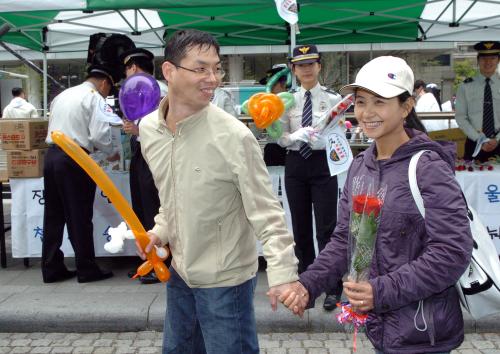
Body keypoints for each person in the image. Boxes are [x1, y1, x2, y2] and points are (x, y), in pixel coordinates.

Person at [279, 56, 473, 354]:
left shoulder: (427, 167)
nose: (367, 113)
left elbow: (452, 252)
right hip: (381, 328)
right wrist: (307, 285)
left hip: (423, 331)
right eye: (360, 101)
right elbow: (346, 238)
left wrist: (380, 291)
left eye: (379, 102)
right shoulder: (361, 166)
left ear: (406, 107)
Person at [137, 29, 298, 353]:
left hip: (226, 280)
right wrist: (159, 231)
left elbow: (266, 210)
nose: (212, 78)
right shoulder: (149, 130)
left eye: (216, 68)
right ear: (169, 72)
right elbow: (172, 197)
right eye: (201, 68)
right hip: (180, 272)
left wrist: (283, 273)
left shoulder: (233, 136)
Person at [277, 44, 343, 311]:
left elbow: (339, 135)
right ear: (293, 69)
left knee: (327, 229)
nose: (306, 69)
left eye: (310, 64)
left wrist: (324, 138)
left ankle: (332, 287)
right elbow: (278, 136)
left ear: (319, 66)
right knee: (301, 230)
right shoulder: (286, 100)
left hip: (322, 164)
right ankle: (307, 286)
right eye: (300, 65)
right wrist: (293, 137)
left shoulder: (333, 98)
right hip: (296, 165)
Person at [42, 64, 121, 283]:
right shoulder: (94, 98)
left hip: (52, 156)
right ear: (105, 83)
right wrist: (111, 152)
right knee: (79, 215)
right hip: (75, 158)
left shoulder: (63, 95)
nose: (108, 94)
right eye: (109, 90)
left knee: (53, 216)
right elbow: (99, 134)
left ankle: (51, 267)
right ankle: (86, 268)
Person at [118, 47, 162, 284]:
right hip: (140, 152)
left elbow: (164, 131)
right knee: (141, 209)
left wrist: (138, 131)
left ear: (133, 67)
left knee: (153, 209)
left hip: (153, 155)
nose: (126, 75)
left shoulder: (158, 91)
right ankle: (147, 260)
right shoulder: (135, 90)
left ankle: (160, 261)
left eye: (126, 69)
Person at [456, 41, 500, 161]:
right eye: (484, 58)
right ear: (478, 60)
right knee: (471, 178)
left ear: (498, 60)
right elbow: (461, 117)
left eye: (493, 58)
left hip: (499, 142)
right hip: (474, 143)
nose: (488, 62)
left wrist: (497, 140)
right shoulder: (465, 86)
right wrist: (478, 138)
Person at [259, 64, 290, 166]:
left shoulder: (295, 99)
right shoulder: (265, 103)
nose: (269, 88)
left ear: (283, 83)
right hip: (273, 148)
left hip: (292, 148)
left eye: (272, 84)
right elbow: (257, 131)